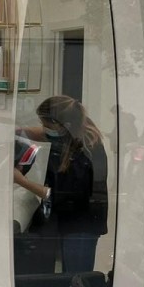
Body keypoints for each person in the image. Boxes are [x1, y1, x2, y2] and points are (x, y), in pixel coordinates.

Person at [13, 95, 108, 273]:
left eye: (46, 125)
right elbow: (42, 134)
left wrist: (21, 181)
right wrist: (17, 130)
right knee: (67, 272)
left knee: (76, 275)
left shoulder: (83, 152)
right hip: (69, 220)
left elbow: (57, 195)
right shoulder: (73, 131)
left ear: (63, 125)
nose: (44, 129)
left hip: (81, 223)